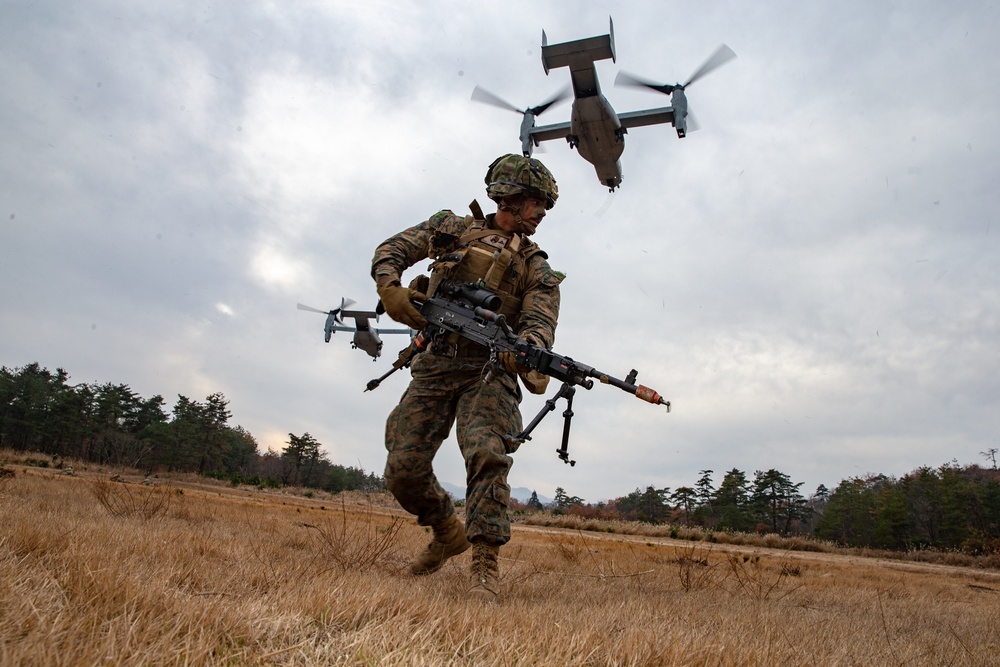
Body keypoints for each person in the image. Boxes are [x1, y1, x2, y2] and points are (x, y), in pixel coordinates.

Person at [370, 154, 563, 602]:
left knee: (486, 451)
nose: (540, 215)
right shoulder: (452, 229)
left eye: (545, 208)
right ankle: (444, 531)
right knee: (402, 467)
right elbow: (391, 250)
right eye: (536, 203)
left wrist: (527, 351)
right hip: (437, 362)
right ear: (509, 197)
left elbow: (539, 327)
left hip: (490, 369)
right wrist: (391, 290)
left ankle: (484, 566)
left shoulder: (539, 270)